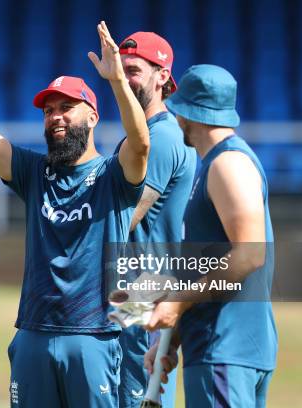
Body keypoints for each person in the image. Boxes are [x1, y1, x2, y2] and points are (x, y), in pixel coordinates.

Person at [0, 19, 149, 407]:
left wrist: (118, 82)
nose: (55, 117)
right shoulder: (34, 172)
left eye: (67, 108)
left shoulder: (114, 175)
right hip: (33, 337)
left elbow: (140, 145)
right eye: (48, 110)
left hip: (93, 338)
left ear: (92, 116)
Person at [143, 65, 277, 407]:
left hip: (225, 349)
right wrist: (173, 340)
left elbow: (249, 255)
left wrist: (177, 302)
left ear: (186, 113)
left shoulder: (227, 163)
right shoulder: (218, 163)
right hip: (224, 348)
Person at [113, 31, 196, 408]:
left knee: (133, 397)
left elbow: (124, 218)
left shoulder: (161, 138)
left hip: (144, 289)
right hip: (144, 287)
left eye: (134, 69)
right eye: (121, 69)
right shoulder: (149, 135)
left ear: (162, 76)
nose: (125, 78)